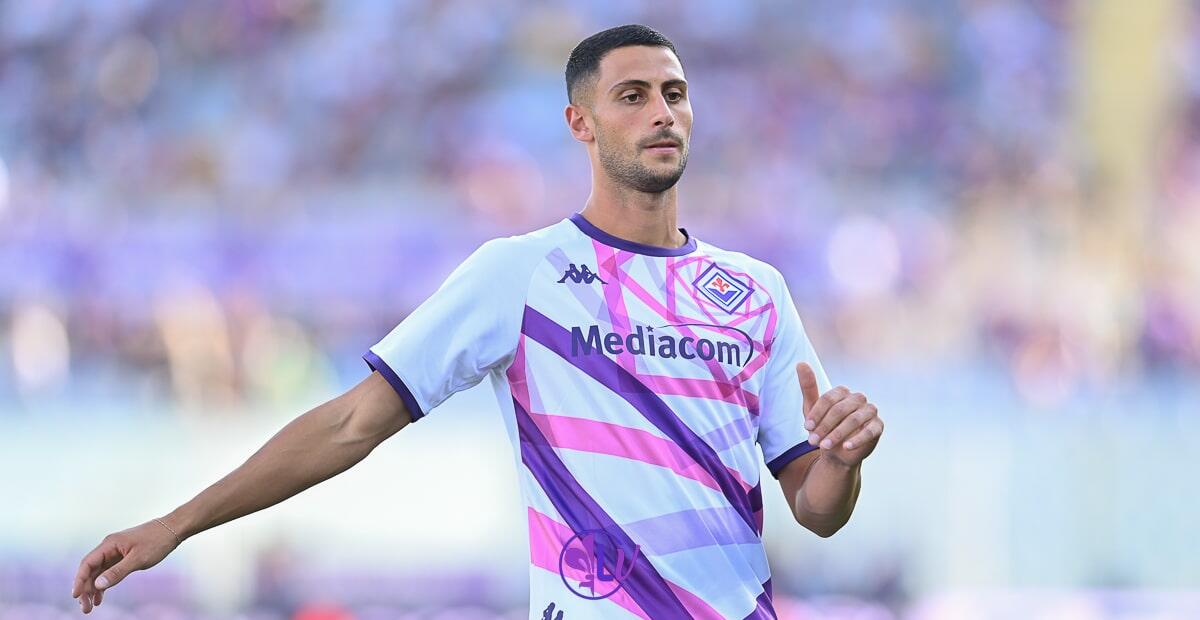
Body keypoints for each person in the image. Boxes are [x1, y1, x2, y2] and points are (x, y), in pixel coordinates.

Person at [71, 24, 884, 619]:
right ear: (582, 124)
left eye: (674, 94)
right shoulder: (518, 273)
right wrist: (176, 525)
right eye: (632, 96)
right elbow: (353, 423)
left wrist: (841, 463)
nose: (661, 113)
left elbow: (813, 508)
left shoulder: (756, 291)